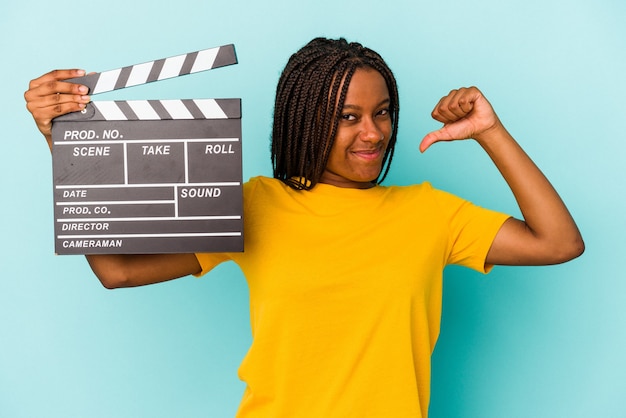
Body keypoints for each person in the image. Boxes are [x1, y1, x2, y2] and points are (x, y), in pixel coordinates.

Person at [24, 37, 583, 418]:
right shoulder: (255, 205)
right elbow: (119, 270)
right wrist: (66, 144)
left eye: (383, 111)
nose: (372, 133)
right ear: (305, 118)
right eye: (347, 116)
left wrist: (490, 131)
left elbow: (559, 242)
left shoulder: (430, 212)